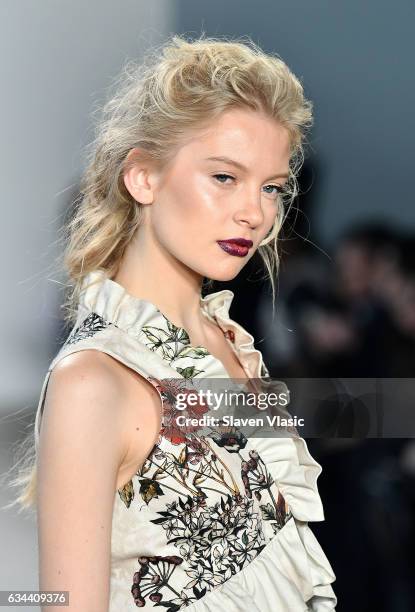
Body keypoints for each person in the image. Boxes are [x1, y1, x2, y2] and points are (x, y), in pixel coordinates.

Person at [11, 35, 337, 611]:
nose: (255, 212)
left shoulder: (228, 342)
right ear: (143, 178)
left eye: (270, 187)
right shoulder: (95, 381)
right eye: (224, 177)